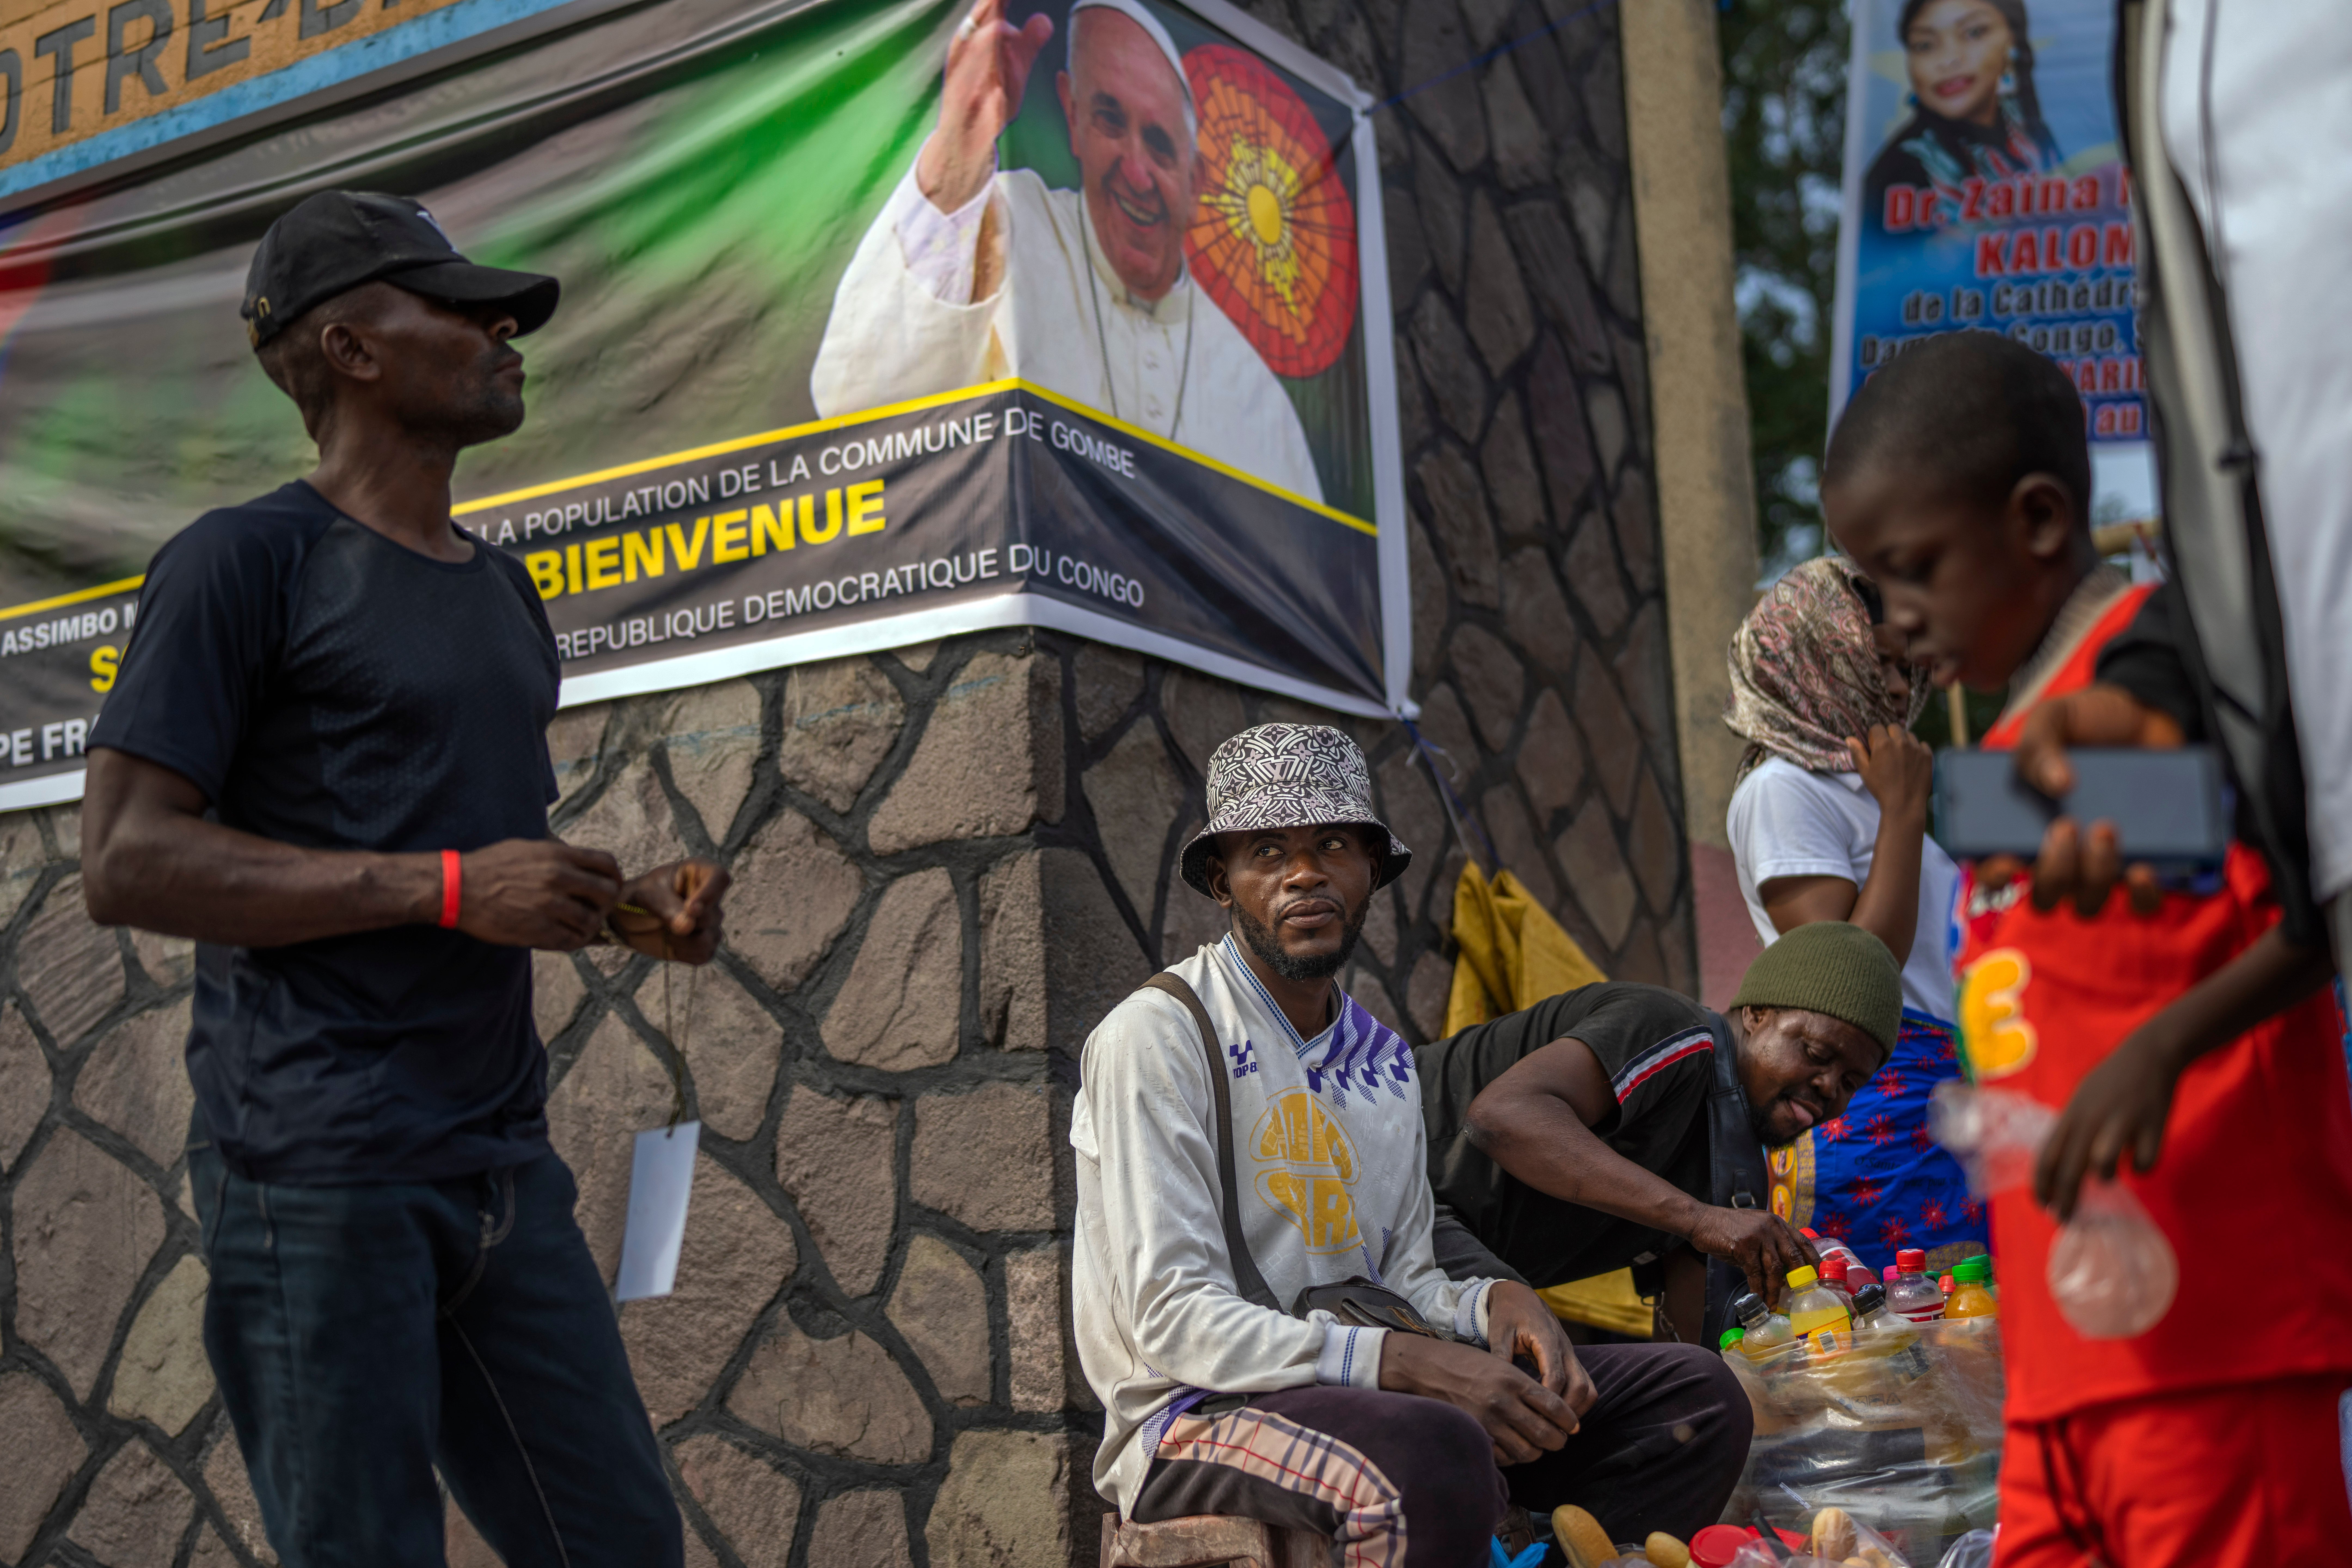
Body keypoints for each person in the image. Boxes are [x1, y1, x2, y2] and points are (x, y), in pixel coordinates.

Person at [77, 192, 728, 1566]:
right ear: (352, 350)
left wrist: (618, 918)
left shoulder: (502, 594)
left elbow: (468, 850)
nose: (503, 326)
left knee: (620, 1547)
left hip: (500, 1166)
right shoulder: (240, 565)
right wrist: (444, 889)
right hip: (315, 1173)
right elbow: (126, 858)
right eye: (457, 304)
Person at [1824, 329, 2352, 1568]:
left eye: (1914, 573)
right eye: (1872, 591)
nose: (1896, 626)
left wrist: (2158, 1050)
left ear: (2041, 520)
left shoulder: (2171, 667)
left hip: (2215, 1337)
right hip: (2065, 1362)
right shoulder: (2003, 760)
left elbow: (2280, 869)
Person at [1074, 723, 1754, 1559]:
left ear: (1372, 871)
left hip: (1365, 1387)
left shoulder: (1382, 1061)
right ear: (1223, 881)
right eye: (1266, 852)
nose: (1304, 874)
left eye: (1332, 845)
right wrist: (1408, 1364)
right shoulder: (1161, 1036)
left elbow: (1403, 1280)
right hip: (1195, 1415)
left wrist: (1493, 1303)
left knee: (1696, 1398)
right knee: (1433, 1446)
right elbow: (1173, 1324)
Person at [810, 0, 1325, 503]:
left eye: (1161, 145)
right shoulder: (1005, 224)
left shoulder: (1260, 405)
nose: (1137, 172)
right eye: (1110, 120)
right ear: (1073, 118)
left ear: (1196, 183)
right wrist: (956, 154)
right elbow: (858, 409)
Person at [1421, 920, 1904, 1349]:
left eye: (1850, 1084)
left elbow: (1687, 1343)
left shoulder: (1734, 1173)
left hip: (1443, 1247)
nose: (1828, 1088)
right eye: (1817, 1053)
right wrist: (1697, 1219)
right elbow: (1502, 1116)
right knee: (1528, 1378)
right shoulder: (1677, 1032)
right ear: (1757, 1015)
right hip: (1387, 1178)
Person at [1722, 555, 1987, 1268]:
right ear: (1818, 655)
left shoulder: (1860, 788)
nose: (1901, 690)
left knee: (1960, 1347)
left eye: (1907, 669)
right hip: (1874, 1100)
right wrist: (1904, 809)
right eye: (1879, 664)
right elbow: (1850, 978)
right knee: (1896, 1358)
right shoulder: (1785, 788)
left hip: (1937, 1097)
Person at [1863, 0, 2060, 226]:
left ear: (2014, 41)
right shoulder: (1903, 172)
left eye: (1973, 33)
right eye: (1925, 45)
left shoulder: (2026, 130)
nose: (1948, 61)